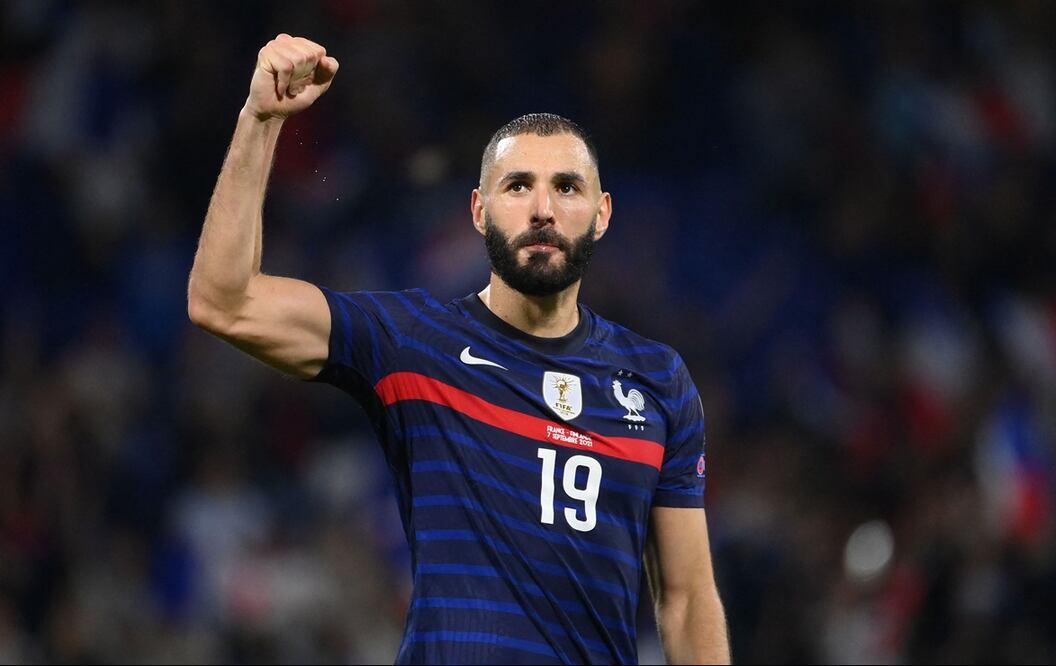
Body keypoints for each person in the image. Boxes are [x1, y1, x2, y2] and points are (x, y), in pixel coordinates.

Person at [187, 33, 731, 665]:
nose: (544, 209)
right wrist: (259, 119)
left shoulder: (658, 381)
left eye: (568, 187)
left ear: (603, 213)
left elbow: (688, 599)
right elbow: (221, 300)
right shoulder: (415, 342)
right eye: (518, 185)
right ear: (479, 210)